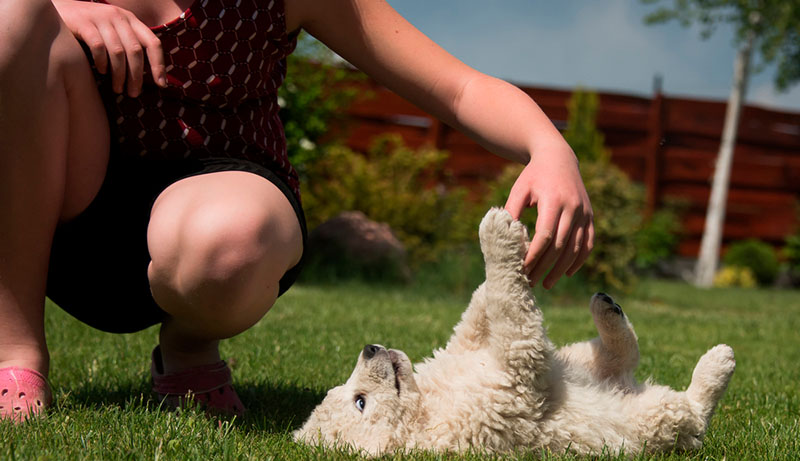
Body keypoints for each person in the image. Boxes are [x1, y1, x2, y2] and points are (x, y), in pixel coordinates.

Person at [0, 0, 594, 421]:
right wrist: (56, 7)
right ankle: (16, 353)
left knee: (234, 239)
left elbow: (458, 88)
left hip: (216, 226)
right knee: (13, 16)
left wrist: (549, 147)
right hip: (64, 220)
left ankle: (189, 350)